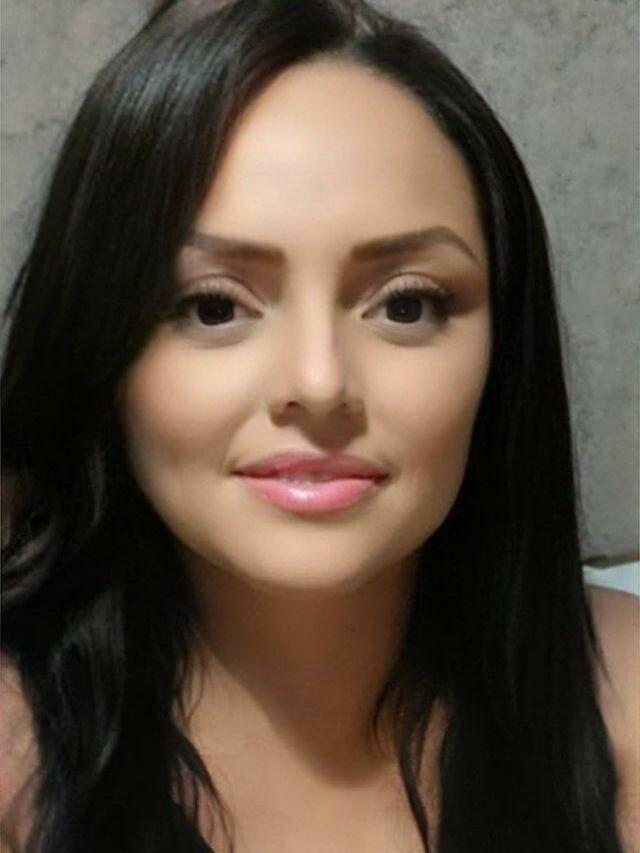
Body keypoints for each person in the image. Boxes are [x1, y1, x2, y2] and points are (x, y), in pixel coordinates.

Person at [1, 0, 637, 851]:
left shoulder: (625, 700)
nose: (319, 383)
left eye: (406, 304)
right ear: (98, 344)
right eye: (213, 305)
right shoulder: (15, 758)